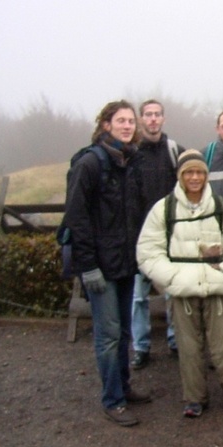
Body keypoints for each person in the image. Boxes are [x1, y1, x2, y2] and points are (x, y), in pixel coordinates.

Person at [136, 150, 223, 418]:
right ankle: (194, 398)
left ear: (206, 175)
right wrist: (173, 279)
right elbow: (148, 252)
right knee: (188, 348)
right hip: (182, 291)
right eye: (189, 172)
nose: (195, 177)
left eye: (199, 172)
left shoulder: (221, 207)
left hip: (218, 287)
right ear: (180, 175)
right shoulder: (163, 209)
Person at [62, 100, 151, 427]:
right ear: (106, 125)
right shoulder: (90, 163)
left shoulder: (130, 162)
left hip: (126, 263)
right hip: (99, 265)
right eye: (121, 121)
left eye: (131, 121)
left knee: (124, 330)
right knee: (109, 334)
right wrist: (88, 267)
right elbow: (77, 217)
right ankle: (112, 399)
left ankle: (123, 387)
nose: (127, 126)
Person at [130, 99, 183, 370]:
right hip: (138, 237)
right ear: (141, 119)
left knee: (172, 291)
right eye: (148, 115)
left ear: (163, 118)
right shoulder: (131, 153)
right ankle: (141, 347)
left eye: (157, 114)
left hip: (170, 235)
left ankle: (176, 341)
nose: (152, 119)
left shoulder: (175, 151)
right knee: (138, 297)